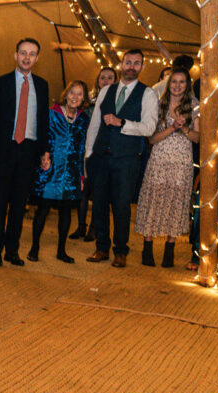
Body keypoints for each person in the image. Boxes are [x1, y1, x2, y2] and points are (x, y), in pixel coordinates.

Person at [85, 48, 157, 267]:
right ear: (121, 64)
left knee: (121, 206)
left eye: (136, 63)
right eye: (128, 62)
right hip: (100, 156)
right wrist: (88, 155)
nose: (131, 67)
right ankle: (101, 248)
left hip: (126, 159)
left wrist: (123, 123)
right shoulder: (107, 91)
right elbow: (94, 124)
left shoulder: (147, 94)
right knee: (99, 203)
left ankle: (121, 250)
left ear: (142, 67)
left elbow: (149, 127)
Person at [0, 38, 51, 267]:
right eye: (23, 53)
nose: (27, 57)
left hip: (29, 151)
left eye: (32, 54)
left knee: (19, 204)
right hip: (5, 149)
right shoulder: (0, 83)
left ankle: (12, 250)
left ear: (37, 58)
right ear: (15, 55)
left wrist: (45, 152)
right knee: (0, 203)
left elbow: (43, 122)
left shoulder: (42, 85)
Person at [135, 68, 199, 268]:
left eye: (181, 82)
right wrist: (172, 128)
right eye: (174, 82)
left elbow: (198, 138)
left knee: (176, 201)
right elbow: (151, 139)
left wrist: (185, 128)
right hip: (160, 158)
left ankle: (170, 249)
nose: (177, 86)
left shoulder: (194, 106)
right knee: (153, 199)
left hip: (182, 160)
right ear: (168, 84)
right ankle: (147, 246)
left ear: (187, 85)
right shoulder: (158, 104)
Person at [28, 81, 89, 263]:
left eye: (79, 94)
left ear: (84, 98)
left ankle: (61, 251)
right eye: (72, 93)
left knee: (66, 213)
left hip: (71, 172)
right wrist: (42, 157)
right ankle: (34, 248)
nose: (75, 97)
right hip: (50, 169)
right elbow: (41, 138)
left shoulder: (83, 119)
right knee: (43, 210)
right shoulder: (52, 113)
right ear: (66, 93)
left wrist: (80, 175)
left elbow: (81, 148)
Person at [71, 66, 118, 241]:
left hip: (103, 152)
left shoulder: (116, 103)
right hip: (84, 151)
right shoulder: (87, 103)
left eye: (110, 78)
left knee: (99, 193)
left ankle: (94, 228)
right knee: (83, 192)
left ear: (115, 81)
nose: (105, 81)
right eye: (102, 77)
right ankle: (81, 226)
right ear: (97, 81)